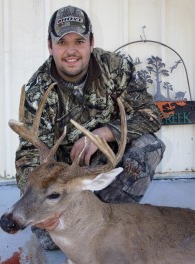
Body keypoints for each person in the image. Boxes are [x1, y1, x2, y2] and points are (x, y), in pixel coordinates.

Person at [15, 5, 165, 250]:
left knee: (149, 146)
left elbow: (150, 116)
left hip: (106, 167)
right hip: (64, 182)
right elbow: (28, 156)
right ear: (50, 46)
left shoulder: (115, 68)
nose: (71, 51)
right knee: (48, 242)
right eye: (62, 42)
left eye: (79, 41)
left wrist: (103, 133)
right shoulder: (38, 89)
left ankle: (112, 218)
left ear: (91, 42)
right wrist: (34, 196)